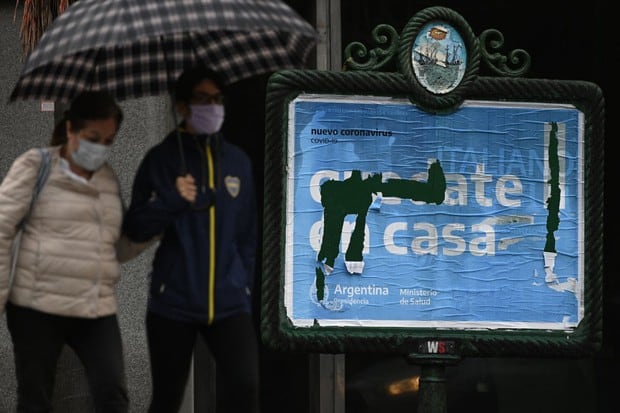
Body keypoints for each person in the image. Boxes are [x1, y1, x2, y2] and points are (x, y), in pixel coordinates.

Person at [122, 65, 260, 413]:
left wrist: (242, 284)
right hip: (174, 302)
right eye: (203, 99)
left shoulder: (237, 162)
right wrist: (171, 198)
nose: (212, 107)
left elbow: (247, 234)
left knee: (245, 387)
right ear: (182, 106)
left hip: (229, 303)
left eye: (217, 99)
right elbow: (135, 226)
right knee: (168, 398)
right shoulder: (161, 159)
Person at [0, 91, 131, 412]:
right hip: (36, 303)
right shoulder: (35, 166)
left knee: (112, 392)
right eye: (93, 138)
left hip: (92, 306)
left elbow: (120, 245)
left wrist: (158, 215)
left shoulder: (106, 180)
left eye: (108, 140)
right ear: (71, 130)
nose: (99, 148)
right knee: (36, 397)